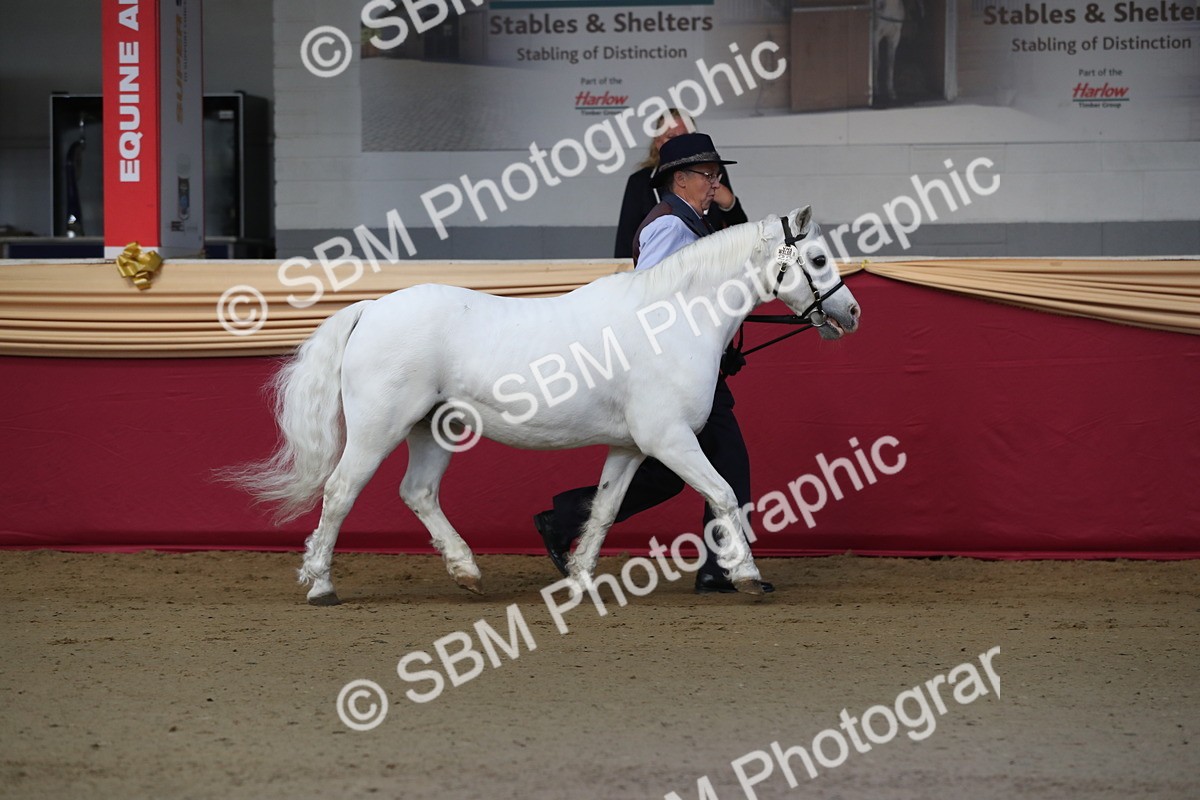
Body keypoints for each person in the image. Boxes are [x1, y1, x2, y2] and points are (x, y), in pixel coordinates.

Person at [535, 132, 773, 594]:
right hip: (669, 373)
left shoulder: (693, 221)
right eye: (708, 175)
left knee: (666, 476)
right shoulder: (671, 226)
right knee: (727, 464)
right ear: (680, 180)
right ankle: (720, 567)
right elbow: (653, 300)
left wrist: (721, 349)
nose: (715, 182)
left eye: (716, 174)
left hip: (688, 369)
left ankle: (564, 521)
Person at [612, 110, 748, 259]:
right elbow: (626, 244)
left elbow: (741, 236)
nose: (714, 183)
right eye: (671, 137)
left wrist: (730, 204)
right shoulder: (667, 222)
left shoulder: (714, 175)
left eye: (685, 136)